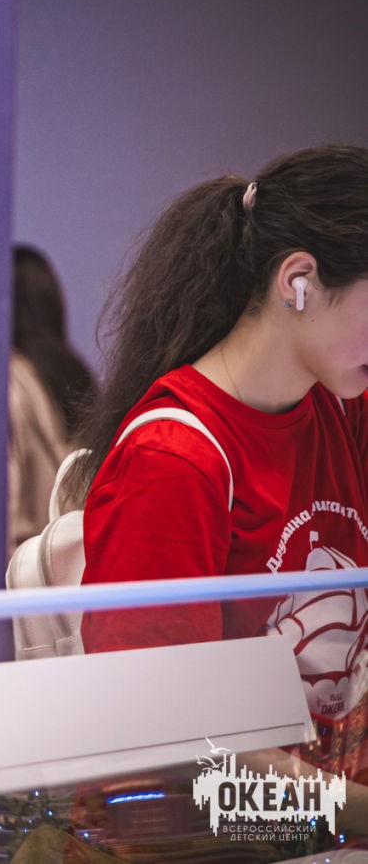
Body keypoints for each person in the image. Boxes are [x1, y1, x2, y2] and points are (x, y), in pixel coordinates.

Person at [76, 145, 368, 782]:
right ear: (298, 281)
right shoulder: (173, 461)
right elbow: (162, 744)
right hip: (217, 826)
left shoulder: (343, 407)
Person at [7, 245, 97, 556]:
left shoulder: (10, 382)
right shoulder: (78, 376)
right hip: (76, 564)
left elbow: (8, 501)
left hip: (25, 567)